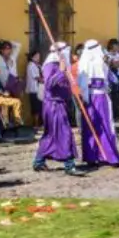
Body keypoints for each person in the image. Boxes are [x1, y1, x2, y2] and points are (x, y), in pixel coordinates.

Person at [31, 43, 84, 176]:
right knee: (65, 132)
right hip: (53, 104)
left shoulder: (64, 66)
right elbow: (49, 84)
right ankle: (69, 165)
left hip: (61, 103)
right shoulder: (50, 65)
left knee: (51, 134)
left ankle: (39, 161)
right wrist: (61, 71)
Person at [77, 40, 119, 167]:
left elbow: (82, 84)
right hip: (99, 98)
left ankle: (93, 157)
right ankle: (107, 157)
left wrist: (85, 97)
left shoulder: (85, 63)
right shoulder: (100, 61)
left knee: (93, 126)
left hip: (91, 98)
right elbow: (110, 79)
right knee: (103, 125)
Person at [25, 48, 44, 129]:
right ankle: (36, 124)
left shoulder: (38, 65)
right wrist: (46, 80)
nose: (38, 58)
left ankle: (40, 123)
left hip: (40, 88)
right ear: (32, 57)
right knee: (36, 107)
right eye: (36, 56)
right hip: (34, 89)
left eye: (39, 56)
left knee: (40, 106)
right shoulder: (31, 65)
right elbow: (37, 77)